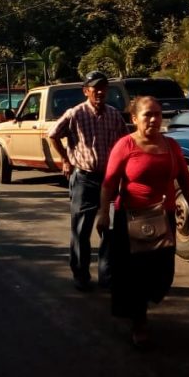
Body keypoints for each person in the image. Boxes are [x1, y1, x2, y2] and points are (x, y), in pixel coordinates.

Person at [96, 96, 189, 347]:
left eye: (157, 114)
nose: (153, 119)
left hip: (163, 220)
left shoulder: (172, 146)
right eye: (147, 115)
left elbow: (185, 180)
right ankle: (139, 321)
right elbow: (109, 184)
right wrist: (103, 214)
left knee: (163, 274)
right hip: (131, 221)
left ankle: (140, 306)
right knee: (135, 275)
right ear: (134, 119)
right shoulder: (125, 145)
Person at [47, 70, 127, 291]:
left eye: (103, 88)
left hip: (109, 181)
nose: (100, 92)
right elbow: (52, 134)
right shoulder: (75, 113)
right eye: (95, 88)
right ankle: (81, 274)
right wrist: (65, 159)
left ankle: (107, 276)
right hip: (84, 179)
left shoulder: (114, 114)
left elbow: (124, 143)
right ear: (86, 91)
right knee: (81, 230)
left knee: (109, 229)